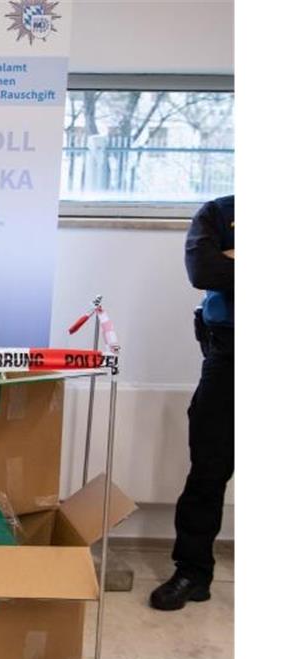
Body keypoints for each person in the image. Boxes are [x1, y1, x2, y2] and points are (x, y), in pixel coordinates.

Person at [150, 195, 234, 611]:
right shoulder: (219, 213)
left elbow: (223, 270)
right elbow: (204, 270)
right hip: (230, 354)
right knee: (208, 466)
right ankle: (192, 572)